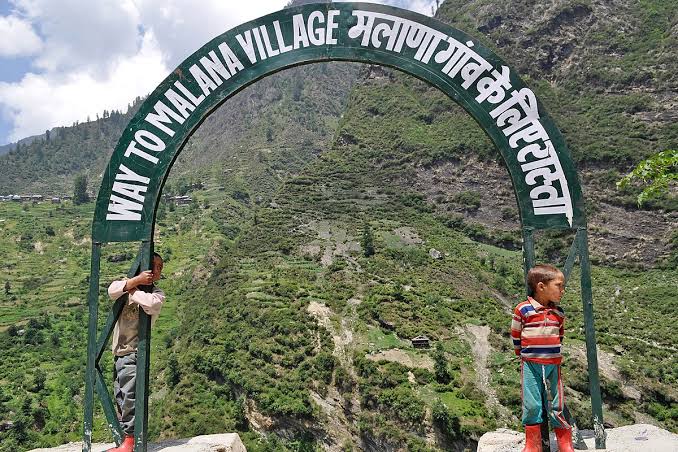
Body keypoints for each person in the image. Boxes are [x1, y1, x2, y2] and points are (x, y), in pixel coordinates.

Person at [511, 264, 574, 452]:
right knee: (532, 404)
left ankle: (565, 443)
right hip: (530, 364)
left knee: (558, 403)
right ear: (541, 286)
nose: (562, 290)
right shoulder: (523, 310)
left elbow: (559, 336)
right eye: (559, 285)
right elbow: (516, 335)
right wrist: (523, 354)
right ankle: (533, 445)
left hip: (554, 364)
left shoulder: (558, 313)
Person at [106, 253, 165, 452]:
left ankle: (131, 442)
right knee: (121, 396)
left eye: (160, 267)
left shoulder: (157, 293)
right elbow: (112, 289)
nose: (156, 270)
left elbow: (152, 304)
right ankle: (127, 440)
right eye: (153, 265)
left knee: (130, 396)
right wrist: (134, 282)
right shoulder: (127, 284)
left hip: (134, 353)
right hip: (119, 353)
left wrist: (132, 290)